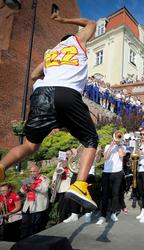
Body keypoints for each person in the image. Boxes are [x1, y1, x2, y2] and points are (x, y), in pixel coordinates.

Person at [0, 12, 98, 210]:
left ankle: (1, 167)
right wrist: (64, 20)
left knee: (29, 146)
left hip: (41, 95)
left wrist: (44, 84)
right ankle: (79, 185)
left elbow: (35, 75)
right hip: (67, 92)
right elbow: (91, 23)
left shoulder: (51, 53)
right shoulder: (77, 42)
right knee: (90, 140)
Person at [96, 134, 126, 225]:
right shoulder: (108, 146)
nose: (117, 138)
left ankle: (113, 213)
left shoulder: (122, 146)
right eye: (116, 137)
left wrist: (119, 145)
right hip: (107, 173)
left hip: (118, 173)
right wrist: (112, 145)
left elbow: (121, 155)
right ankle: (103, 216)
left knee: (115, 194)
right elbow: (106, 157)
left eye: (119, 137)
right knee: (105, 194)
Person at [20, 162, 49, 239]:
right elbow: (21, 191)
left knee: (35, 227)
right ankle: (24, 242)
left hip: (38, 207)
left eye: (34, 171)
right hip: (28, 206)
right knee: (24, 225)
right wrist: (25, 187)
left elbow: (44, 189)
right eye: (31, 171)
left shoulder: (44, 178)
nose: (32, 173)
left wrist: (33, 186)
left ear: (38, 171)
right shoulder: (28, 179)